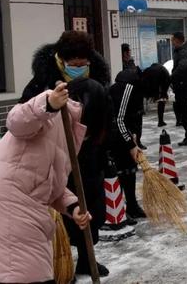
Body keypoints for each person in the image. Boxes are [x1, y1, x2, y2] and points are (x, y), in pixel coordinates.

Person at [0, 83, 91, 283]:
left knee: (4, 272)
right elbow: (15, 122)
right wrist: (48, 104)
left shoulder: (68, 126)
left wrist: (73, 207)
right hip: (11, 196)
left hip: (9, 192)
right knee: (22, 273)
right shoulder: (54, 108)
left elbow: (47, 181)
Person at [62, 78, 112, 277]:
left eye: (82, 61)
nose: (79, 65)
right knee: (64, 217)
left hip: (91, 159)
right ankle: (62, 264)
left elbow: (108, 122)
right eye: (74, 62)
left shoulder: (98, 88)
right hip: (63, 160)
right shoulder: (49, 81)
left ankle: (86, 260)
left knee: (90, 213)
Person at [20, 30, 110, 103]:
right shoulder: (43, 79)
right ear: (61, 60)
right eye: (73, 65)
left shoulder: (98, 79)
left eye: (83, 64)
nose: (78, 68)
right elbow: (26, 109)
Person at [109, 69, 147, 221]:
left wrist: (136, 137)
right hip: (114, 137)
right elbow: (119, 119)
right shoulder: (126, 88)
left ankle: (132, 205)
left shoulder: (137, 90)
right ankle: (119, 210)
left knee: (130, 170)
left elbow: (135, 116)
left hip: (126, 135)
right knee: (119, 171)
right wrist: (130, 144)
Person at [171, 32, 187, 146]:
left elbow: (182, 67)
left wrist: (171, 78)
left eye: (173, 41)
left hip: (184, 86)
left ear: (177, 40)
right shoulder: (183, 50)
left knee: (185, 112)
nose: (172, 43)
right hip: (183, 85)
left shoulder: (184, 52)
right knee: (184, 112)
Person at [142, 63, 171, 127]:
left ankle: (142, 110)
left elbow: (142, 80)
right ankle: (160, 121)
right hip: (159, 83)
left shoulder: (148, 69)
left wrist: (149, 94)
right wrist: (164, 93)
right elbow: (168, 81)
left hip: (150, 85)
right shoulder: (164, 70)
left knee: (160, 99)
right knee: (161, 101)